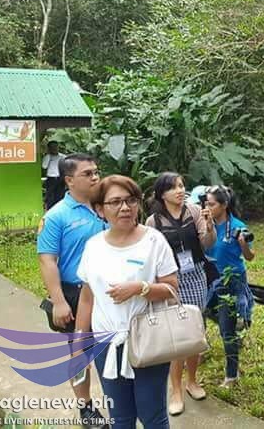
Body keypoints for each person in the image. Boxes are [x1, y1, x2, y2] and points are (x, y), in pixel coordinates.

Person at [74, 175, 178, 429]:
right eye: (115, 202)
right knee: (119, 416)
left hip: (147, 339)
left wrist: (140, 288)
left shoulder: (154, 241)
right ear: (100, 209)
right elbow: (87, 297)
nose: (125, 208)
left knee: (152, 415)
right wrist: (79, 341)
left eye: (131, 200)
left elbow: (171, 288)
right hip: (105, 342)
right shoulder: (93, 246)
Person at [37, 153, 107, 426]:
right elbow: (47, 260)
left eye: (96, 172)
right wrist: (58, 301)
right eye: (87, 174)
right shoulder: (56, 216)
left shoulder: (107, 206)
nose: (95, 177)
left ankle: (121, 399)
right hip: (77, 294)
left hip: (112, 292)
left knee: (114, 348)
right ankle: (85, 407)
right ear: (69, 180)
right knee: (80, 354)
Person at [145, 173, 216, 416]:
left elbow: (207, 243)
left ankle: (192, 381)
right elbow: (151, 255)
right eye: (173, 187)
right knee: (177, 335)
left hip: (195, 275)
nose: (179, 190)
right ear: (161, 193)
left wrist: (209, 226)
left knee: (195, 330)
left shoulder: (194, 211)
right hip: (170, 280)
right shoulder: (153, 221)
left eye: (181, 186)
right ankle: (175, 390)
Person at [204, 185, 255, 387]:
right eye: (206, 203)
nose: (207, 207)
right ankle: (235, 324)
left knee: (226, 331)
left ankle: (231, 376)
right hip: (210, 279)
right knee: (204, 311)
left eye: (212, 204)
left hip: (231, 280)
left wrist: (243, 244)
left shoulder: (237, 226)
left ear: (224, 205)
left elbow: (250, 257)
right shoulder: (205, 224)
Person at [42, 140, 65, 210]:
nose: (54, 149)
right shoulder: (47, 157)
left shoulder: (62, 156)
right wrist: (49, 157)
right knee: (50, 197)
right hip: (51, 179)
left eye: (56, 147)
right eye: (52, 147)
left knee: (60, 196)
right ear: (49, 148)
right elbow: (44, 166)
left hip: (60, 178)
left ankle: (60, 210)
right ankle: (50, 210)